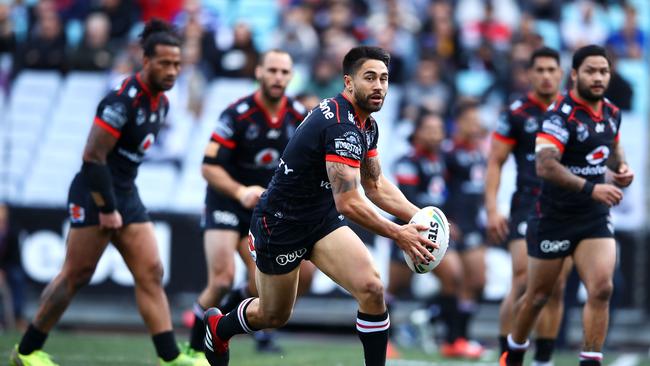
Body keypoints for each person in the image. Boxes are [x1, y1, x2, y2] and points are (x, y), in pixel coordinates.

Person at [203, 46, 437, 366]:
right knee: (273, 315)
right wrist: (400, 234)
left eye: (384, 78)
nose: (379, 85)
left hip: (321, 219)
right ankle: (219, 327)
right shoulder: (340, 125)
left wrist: (420, 217)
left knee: (371, 288)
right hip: (281, 223)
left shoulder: (366, 125)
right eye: (370, 77)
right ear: (348, 82)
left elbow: (376, 185)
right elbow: (350, 202)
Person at [9, 19, 207, 366]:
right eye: (164, 63)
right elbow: (92, 156)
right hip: (94, 193)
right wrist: (106, 207)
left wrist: (120, 201)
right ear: (145, 61)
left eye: (177, 64)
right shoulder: (121, 101)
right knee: (75, 275)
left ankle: (170, 357)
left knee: (151, 271)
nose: (172, 71)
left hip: (126, 193)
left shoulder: (160, 102)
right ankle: (26, 351)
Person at [501, 45, 634, 366]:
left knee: (602, 288)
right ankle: (514, 352)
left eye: (604, 71)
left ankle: (590, 360)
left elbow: (613, 148)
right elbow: (546, 166)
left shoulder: (612, 113)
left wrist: (622, 169)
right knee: (537, 296)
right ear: (575, 74)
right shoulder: (560, 115)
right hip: (554, 217)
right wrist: (592, 188)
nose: (599, 77)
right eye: (591, 71)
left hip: (593, 217)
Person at [186, 49, 311, 357]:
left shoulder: (299, 116)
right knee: (223, 277)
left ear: (291, 76)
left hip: (262, 209)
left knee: (263, 284)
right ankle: (190, 352)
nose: (278, 78)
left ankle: (221, 323)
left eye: (284, 72)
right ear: (259, 72)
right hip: (226, 202)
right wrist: (240, 191)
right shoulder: (237, 114)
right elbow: (208, 166)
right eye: (272, 71)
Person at [486, 47, 571, 365]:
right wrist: (493, 210)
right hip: (527, 205)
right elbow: (495, 162)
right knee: (523, 279)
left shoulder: (570, 111)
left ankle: (544, 359)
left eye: (552, 69)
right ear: (530, 74)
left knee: (557, 286)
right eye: (540, 70)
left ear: (561, 74)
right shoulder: (517, 112)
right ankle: (507, 355)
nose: (546, 76)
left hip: (564, 208)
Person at [387, 112, 471, 358]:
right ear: (418, 133)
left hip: (437, 230)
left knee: (454, 278)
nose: (435, 135)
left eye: (439, 129)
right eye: (430, 129)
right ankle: (386, 339)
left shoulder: (444, 160)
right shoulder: (407, 160)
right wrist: (439, 219)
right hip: (408, 229)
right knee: (396, 286)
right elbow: (408, 197)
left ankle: (453, 340)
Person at [442, 100, 487, 358]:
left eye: (477, 120)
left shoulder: (479, 153)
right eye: (470, 120)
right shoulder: (448, 152)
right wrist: (444, 219)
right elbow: (438, 188)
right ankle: (453, 337)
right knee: (456, 279)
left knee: (477, 281)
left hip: (473, 224)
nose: (475, 125)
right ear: (458, 123)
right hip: (453, 224)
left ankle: (462, 335)